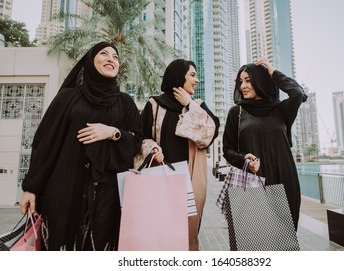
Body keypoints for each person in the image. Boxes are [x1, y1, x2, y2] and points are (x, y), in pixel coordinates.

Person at [18, 41, 143, 251]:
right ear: (90, 60)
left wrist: (112, 132)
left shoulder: (125, 103)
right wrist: (31, 188)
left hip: (106, 195)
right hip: (63, 190)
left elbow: (136, 141)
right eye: (104, 53)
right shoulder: (68, 98)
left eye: (115, 56)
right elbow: (45, 142)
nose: (111, 59)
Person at [138, 59, 220, 250]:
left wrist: (190, 105)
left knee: (187, 234)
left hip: (190, 182)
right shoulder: (154, 105)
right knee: (160, 234)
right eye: (192, 75)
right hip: (160, 179)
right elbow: (139, 136)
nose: (197, 80)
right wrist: (152, 149)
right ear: (178, 76)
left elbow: (209, 133)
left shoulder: (198, 105)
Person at [223, 59, 307, 232]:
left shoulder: (281, 110)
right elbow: (227, 150)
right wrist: (243, 158)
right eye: (240, 82)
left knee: (285, 240)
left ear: (260, 81)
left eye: (248, 80)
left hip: (285, 181)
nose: (243, 86)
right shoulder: (236, 112)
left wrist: (273, 73)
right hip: (253, 182)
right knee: (255, 241)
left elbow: (297, 93)